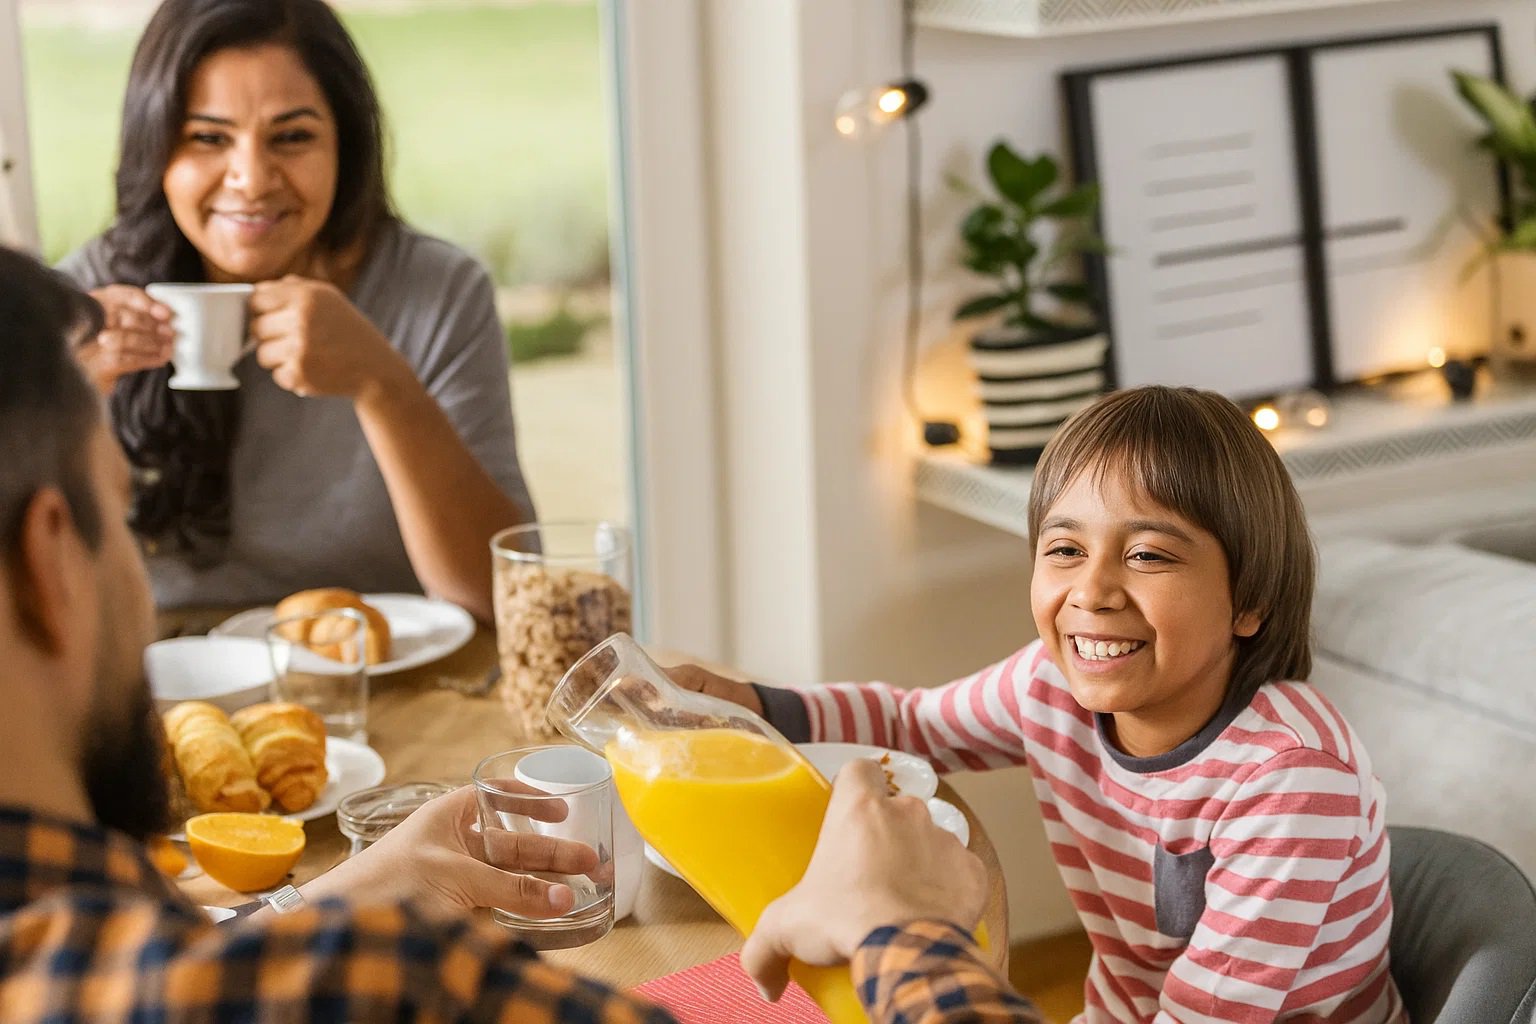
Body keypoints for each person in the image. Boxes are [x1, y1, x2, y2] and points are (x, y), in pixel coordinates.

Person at [0, 248, 1036, 1022]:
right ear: (53, 561)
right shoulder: (377, 982)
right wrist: (911, 931)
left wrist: (325, 895)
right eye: (118, 508)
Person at [677, 385, 1408, 1024]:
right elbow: (911, 725)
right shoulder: (1049, 688)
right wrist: (753, 704)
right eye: (1064, 551)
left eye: (1148, 554)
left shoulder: (1290, 781)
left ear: (1249, 599)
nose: (1092, 592)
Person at [58, 0, 533, 621]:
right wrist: (61, 400)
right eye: (208, 138)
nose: (252, 179)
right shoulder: (84, 304)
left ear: (346, 143)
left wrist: (382, 385)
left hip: (389, 688)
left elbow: (503, 598)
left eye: (292, 137)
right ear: (156, 150)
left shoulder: (436, 293)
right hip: (166, 694)